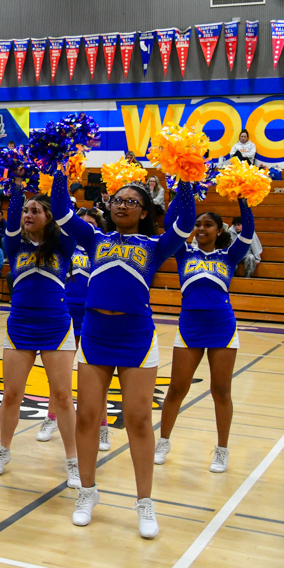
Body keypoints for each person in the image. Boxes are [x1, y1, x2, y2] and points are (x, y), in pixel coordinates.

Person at [52, 169, 195, 539]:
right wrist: (59, 170)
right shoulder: (94, 238)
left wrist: (185, 179)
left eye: (132, 202)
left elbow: (186, 222)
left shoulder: (155, 245)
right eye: (117, 200)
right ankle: (87, 492)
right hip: (96, 336)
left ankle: (144, 502)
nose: (122, 206)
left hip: (136, 337)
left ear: (144, 212)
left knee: (139, 420)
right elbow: (61, 211)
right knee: (87, 416)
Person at [0, 180, 79, 488]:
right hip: (19, 328)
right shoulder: (15, 245)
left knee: (63, 396)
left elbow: (65, 211)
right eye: (26, 210)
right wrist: (16, 184)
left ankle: (73, 459)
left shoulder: (64, 245)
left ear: (49, 217)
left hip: (56, 328)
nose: (27, 214)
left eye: (35, 210)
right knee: (11, 394)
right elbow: (12, 214)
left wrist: (59, 174)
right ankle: (3, 449)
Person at [156, 203, 255, 473]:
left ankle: (222, 450)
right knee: (177, 389)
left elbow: (248, 233)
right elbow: (169, 224)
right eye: (198, 224)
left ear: (219, 230)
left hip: (222, 328)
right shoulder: (183, 251)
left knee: (221, 391)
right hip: (190, 327)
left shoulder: (229, 255)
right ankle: (163, 442)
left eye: (207, 225)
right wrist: (183, 190)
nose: (201, 228)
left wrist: (244, 200)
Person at [43, 207, 111, 450]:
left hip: (93, 317)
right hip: (65, 315)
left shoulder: (102, 249)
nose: (86, 226)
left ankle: (103, 427)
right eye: (82, 222)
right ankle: (51, 418)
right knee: (58, 376)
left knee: (98, 377)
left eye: (91, 223)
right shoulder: (63, 247)